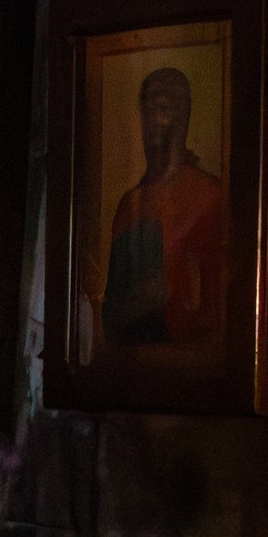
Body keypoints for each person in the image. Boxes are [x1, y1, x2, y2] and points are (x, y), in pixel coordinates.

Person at [101, 65, 225, 348]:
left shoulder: (208, 196)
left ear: (183, 115)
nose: (154, 117)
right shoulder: (129, 206)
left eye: (164, 106)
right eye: (147, 106)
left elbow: (214, 308)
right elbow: (112, 308)